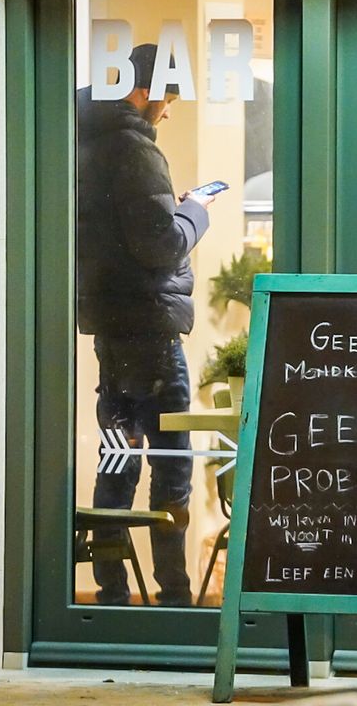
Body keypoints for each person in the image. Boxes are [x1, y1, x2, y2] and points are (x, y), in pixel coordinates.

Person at [75, 43, 218, 606]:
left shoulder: (86, 140)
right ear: (148, 91)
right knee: (172, 464)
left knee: (118, 457)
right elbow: (160, 245)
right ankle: (175, 598)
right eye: (169, 100)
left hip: (111, 329)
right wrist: (194, 212)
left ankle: (110, 592)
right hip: (152, 331)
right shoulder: (135, 148)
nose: (169, 112)